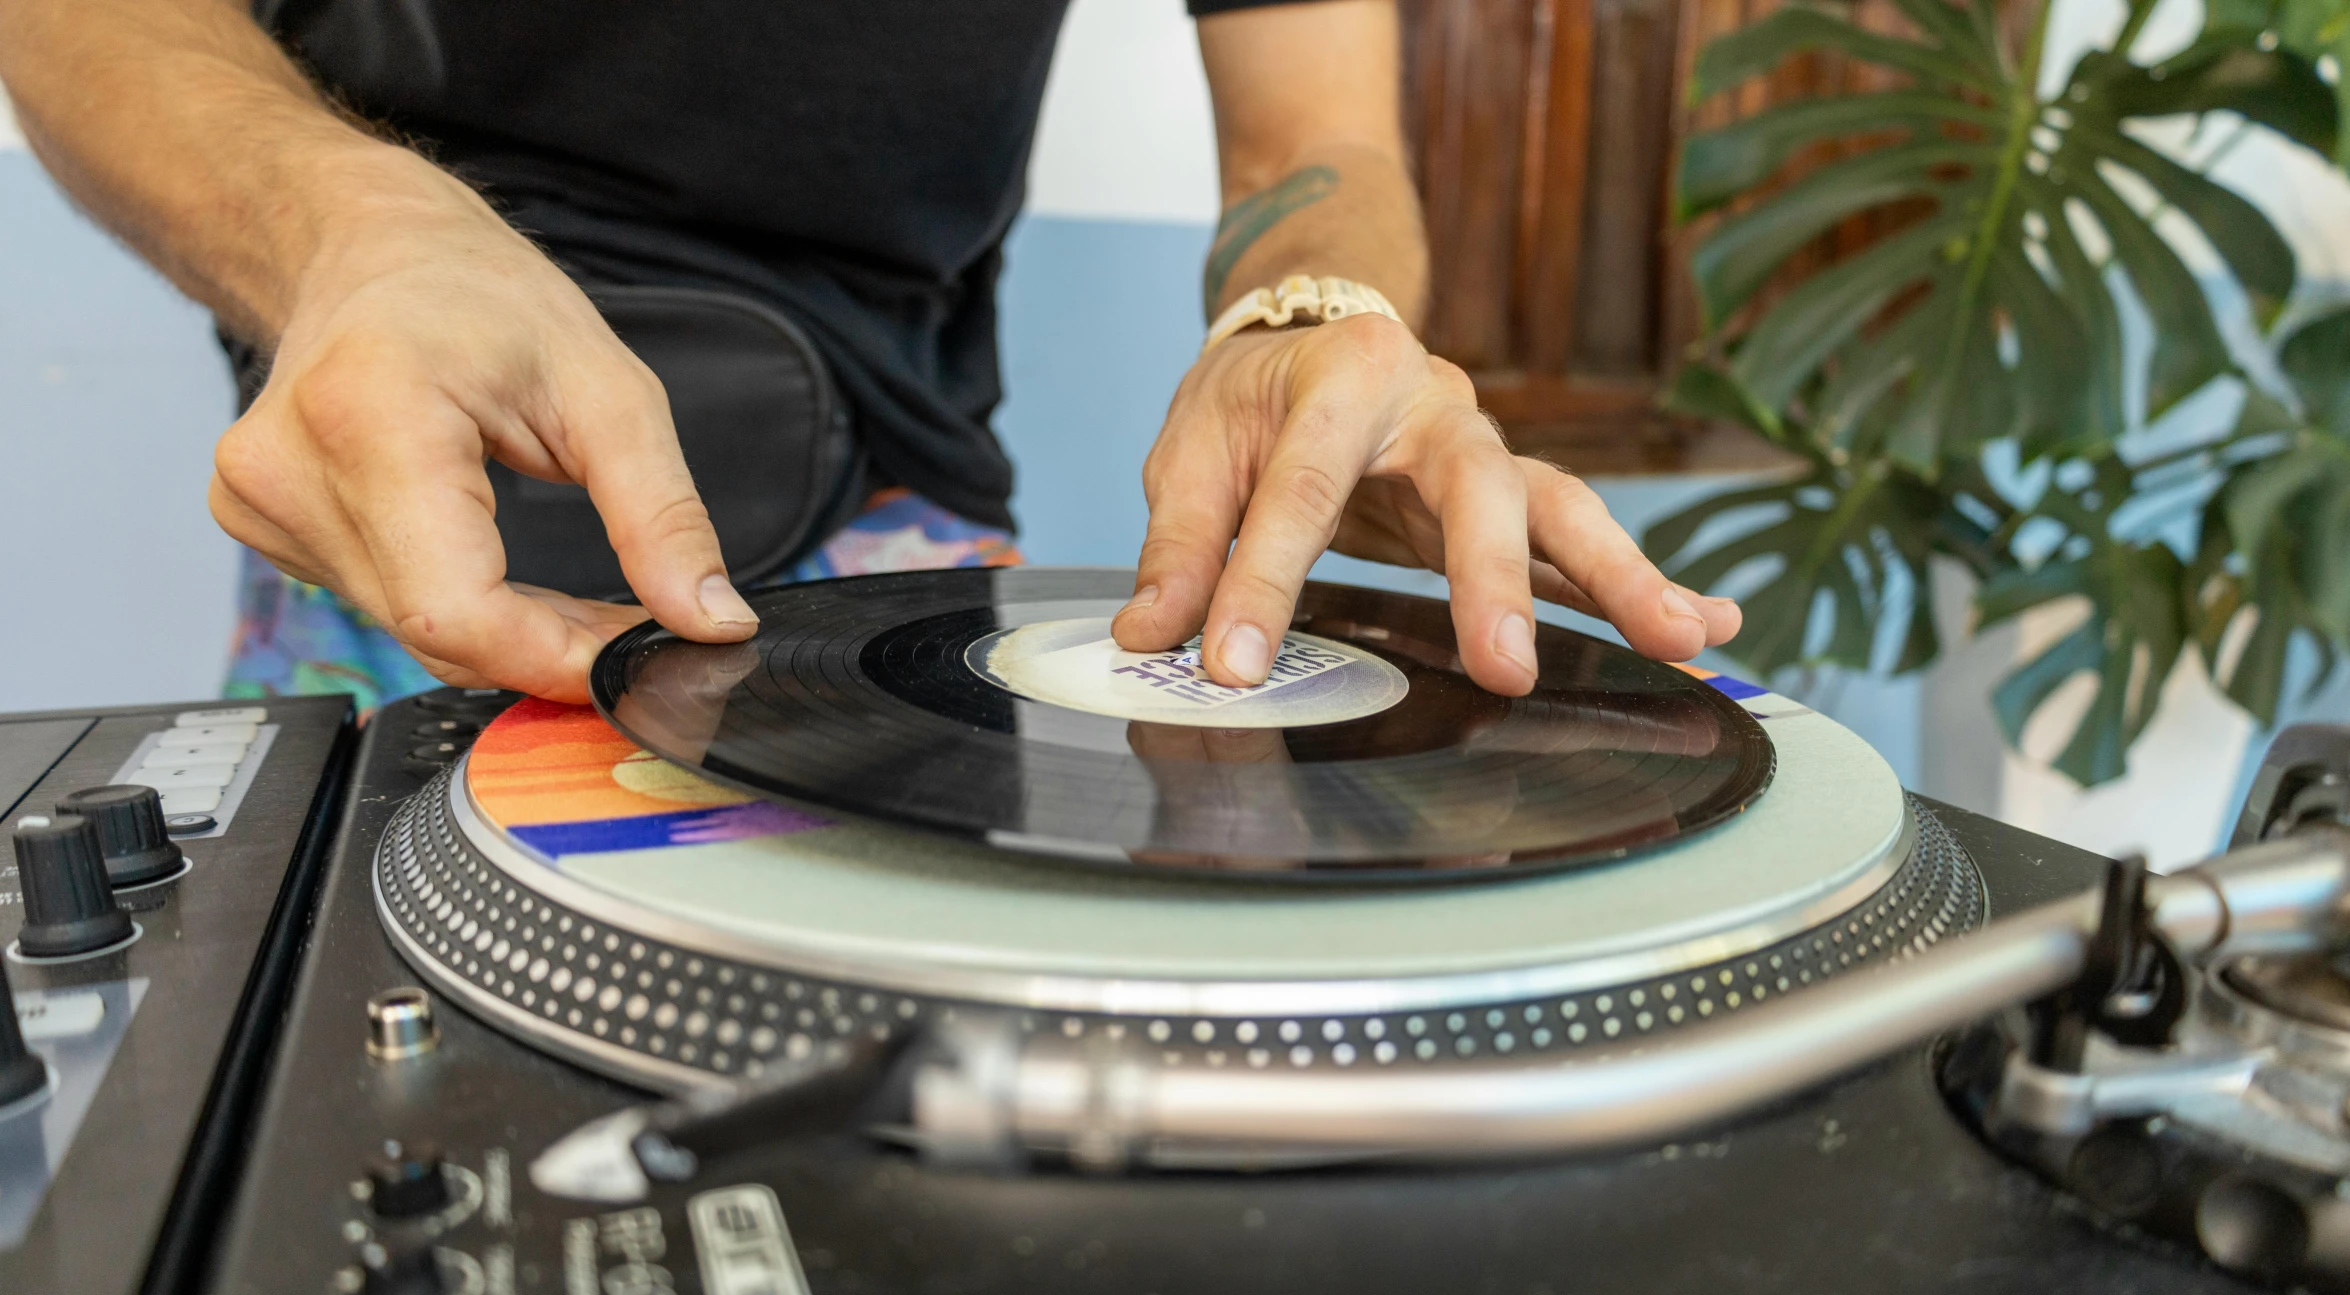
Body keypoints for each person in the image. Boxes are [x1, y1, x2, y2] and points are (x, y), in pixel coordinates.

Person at [0, 0, 1738, 713]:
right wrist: (343, 224)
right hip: (396, 519)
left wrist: (1315, 311)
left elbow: (1321, 138)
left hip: (896, 549)